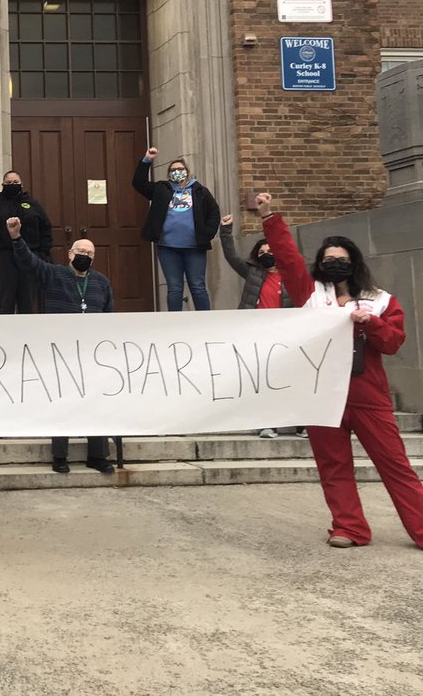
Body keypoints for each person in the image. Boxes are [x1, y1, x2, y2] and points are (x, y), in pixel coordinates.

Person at [257, 193, 423, 550]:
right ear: (319, 264)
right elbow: (287, 258)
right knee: (333, 466)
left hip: (368, 395)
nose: (334, 264)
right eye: (328, 259)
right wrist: (269, 216)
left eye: (341, 259)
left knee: (395, 466)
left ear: (354, 263)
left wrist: (372, 324)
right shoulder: (309, 293)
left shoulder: (381, 299)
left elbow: (394, 342)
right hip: (321, 397)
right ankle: (349, 527)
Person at [8, 217, 117, 476]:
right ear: (70, 254)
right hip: (60, 352)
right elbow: (29, 262)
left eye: (89, 254)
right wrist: (16, 237)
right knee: (62, 403)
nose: (85, 256)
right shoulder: (53, 274)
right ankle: (60, 456)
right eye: (81, 252)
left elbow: (111, 318)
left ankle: (98, 455)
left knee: (96, 402)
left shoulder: (102, 282)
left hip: (92, 354)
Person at [219, 213, 303, 440]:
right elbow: (231, 256)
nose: (267, 255)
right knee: (264, 380)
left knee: (291, 379)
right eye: (262, 253)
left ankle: (301, 424)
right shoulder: (253, 273)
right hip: (257, 335)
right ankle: (267, 424)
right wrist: (225, 231)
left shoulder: (293, 276)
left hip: (287, 335)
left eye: (271, 251)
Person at [132, 147, 220, 312]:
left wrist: (207, 233)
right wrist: (147, 160)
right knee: (174, 288)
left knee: (198, 285)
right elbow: (138, 183)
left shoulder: (200, 191)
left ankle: (206, 321)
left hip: (194, 247)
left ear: (187, 172)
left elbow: (214, 213)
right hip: (168, 247)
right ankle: (174, 322)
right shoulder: (161, 189)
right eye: (173, 170)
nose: (177, 172)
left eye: (180, 169)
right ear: (168, 174)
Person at [0, 140, 52, 314]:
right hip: (4, 256)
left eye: (15, 182)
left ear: (21, 185)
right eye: (8, 182)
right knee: (6, 298)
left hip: (29, 256)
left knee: (27, 300)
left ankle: (27, 337)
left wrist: (43, 253)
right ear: (2, 185)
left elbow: (46, 227)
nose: (11, 184)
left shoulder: (33, 204)